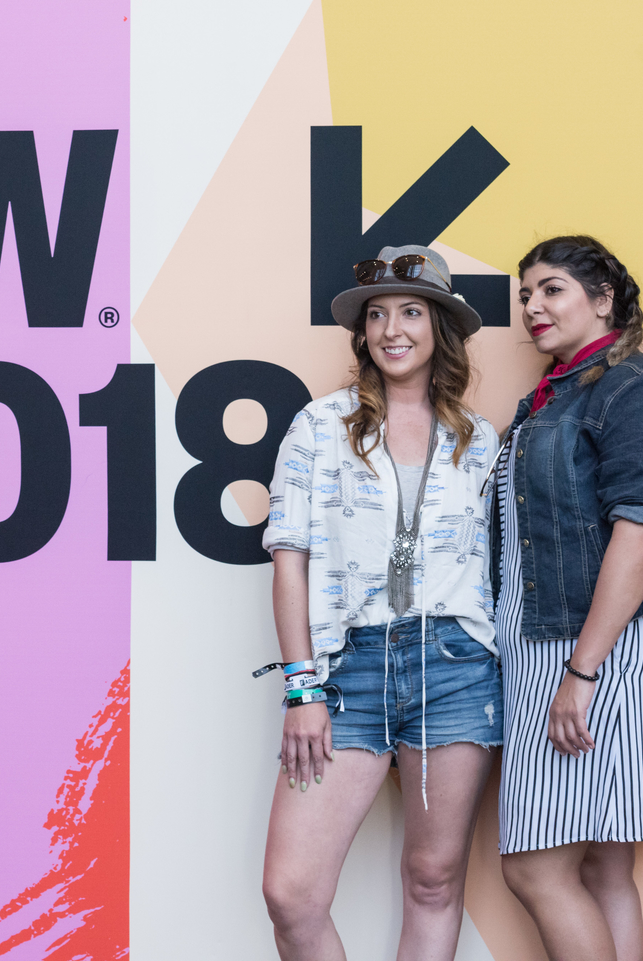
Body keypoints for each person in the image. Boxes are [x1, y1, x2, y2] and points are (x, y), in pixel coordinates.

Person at [261, 245, 501, 960]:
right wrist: (302, 685)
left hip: (457, 668)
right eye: (377, 315)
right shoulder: (319, 425)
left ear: (439, 327)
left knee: (433, 880)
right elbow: (289, 559)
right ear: (362, 332)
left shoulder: (479, 441)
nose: (392, 329)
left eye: (411, 312)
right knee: (292, 894)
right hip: (348, 671)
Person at [495, 236, 643, 961]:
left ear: (603, 298)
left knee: (535, 867)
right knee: (605, 866)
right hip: (559, 642)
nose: (533, 306)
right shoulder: (552, 396)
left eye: (551, 288)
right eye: (526, 294)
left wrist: (581, 672)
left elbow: (640, 537)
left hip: (600, 647)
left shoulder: (640, 389)